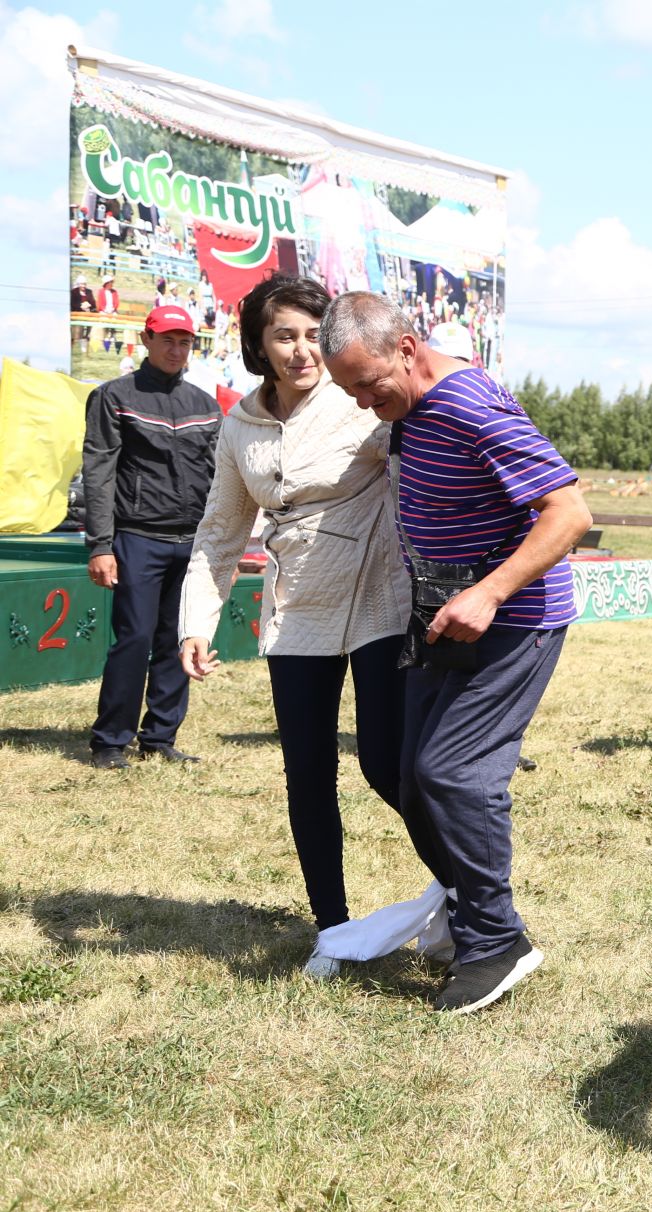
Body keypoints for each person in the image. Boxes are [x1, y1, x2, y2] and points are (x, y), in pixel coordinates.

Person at [320, 290, 592, 1013]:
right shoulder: (410, 406)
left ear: (406, 349)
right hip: (444, 621)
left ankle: (496, 942)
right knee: (409, 779)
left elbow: (570, 512)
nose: (361, 402)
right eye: (348, 390)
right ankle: (473, 916)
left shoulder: (470, 406)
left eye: (368, 384)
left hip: (512, 620)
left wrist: (492, 593)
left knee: (455, 773)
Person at [177, 275, 412, 978]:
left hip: (378, 594)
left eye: (314, 333)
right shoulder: (240, 426)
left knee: (384, 762)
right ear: (259, 343)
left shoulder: (360, 400)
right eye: (284, 334)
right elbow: (219, 534)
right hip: (298, 611)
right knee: (306, 772)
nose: (302, 349)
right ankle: (332, 929)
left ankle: (470, 898)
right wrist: (198, 622)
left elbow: (423, 466)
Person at [81, 304, 222, 769]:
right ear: (145, 340)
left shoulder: (204, 403)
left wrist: (223, 541)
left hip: (193, 540)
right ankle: (110, 741)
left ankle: (160, 737)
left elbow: (220, 475)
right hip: (137, 537)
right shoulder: (113, 395)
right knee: (134, 639)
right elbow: (98, 472)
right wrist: (100, 545)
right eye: (167, 339)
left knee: (179, 640)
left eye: (184, 341)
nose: (176, 349)